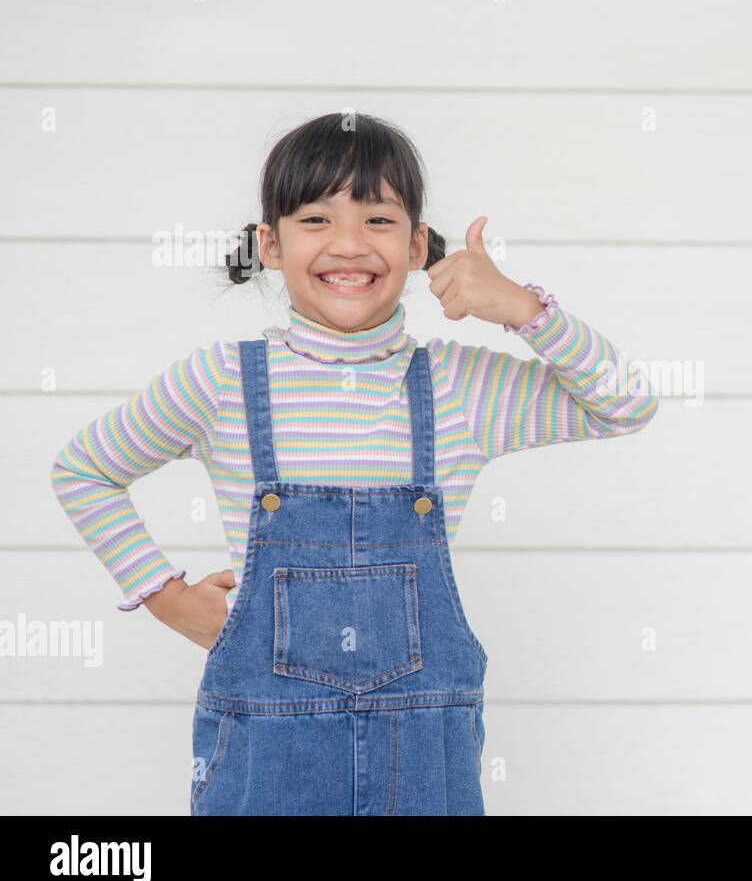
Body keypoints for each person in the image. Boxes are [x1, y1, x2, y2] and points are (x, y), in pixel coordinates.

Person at [48, 111, 659, 814]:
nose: (348, 244)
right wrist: (165, 596)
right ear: (269, 246)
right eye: (315, 219)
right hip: (265, 767)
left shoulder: (461, 387)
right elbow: (84, 470)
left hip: (423, 766)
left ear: (418, 244)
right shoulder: (221, 381)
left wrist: (525, 310)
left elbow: (626, 404)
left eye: (377, 220)